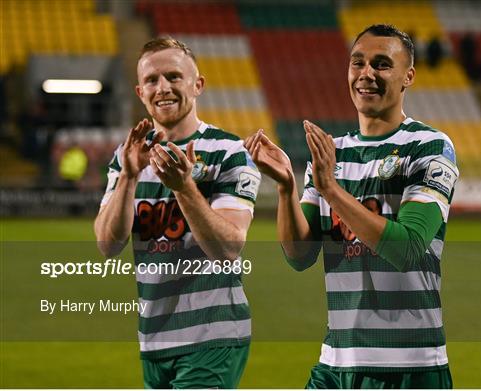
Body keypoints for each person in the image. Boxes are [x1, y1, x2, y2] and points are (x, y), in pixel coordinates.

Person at [245, 24, 458, 389]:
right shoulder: (331, 153)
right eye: (357, 63)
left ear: (408, 76)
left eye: (381, 64)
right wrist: (286, 187)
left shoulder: (429, 146)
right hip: (336, 362)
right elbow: (299, 255)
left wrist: (331, 190)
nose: (366, 74)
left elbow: (407, 248)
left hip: (409, 367)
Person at [94, 38, 260, 389]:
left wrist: (184, 187)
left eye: (173, 76)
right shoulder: (128, 154)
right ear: (140, 92)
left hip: (212, 335)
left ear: (197, 84)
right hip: (154, 336)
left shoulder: (228, 152)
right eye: (152, 80)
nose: (163, 88)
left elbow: (229, 246)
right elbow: (108, 244)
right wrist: (128, 175)